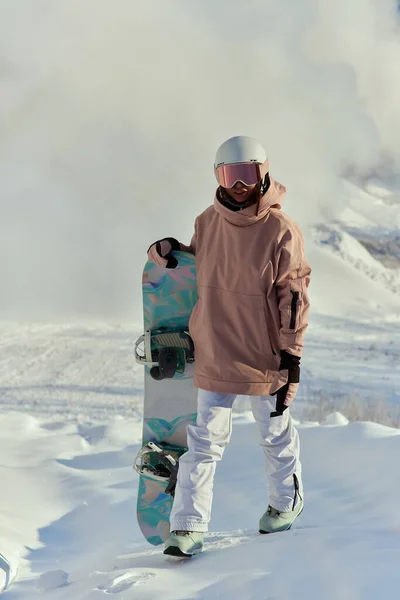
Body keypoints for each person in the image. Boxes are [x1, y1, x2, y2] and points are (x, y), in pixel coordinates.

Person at [147, 135, 311, 557]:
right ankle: (187, 527)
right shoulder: (207, 220)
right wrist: (173, 252)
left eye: (247, 174)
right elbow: (202, 261)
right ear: (219, 176)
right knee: (203, 441)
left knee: (274, 434)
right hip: (217, 346)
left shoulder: (281, 230)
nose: (239, 185)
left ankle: (283, 503)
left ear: (263, 173)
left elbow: (293, 295)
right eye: (230, 174)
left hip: (264, 355)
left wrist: (292, 355)